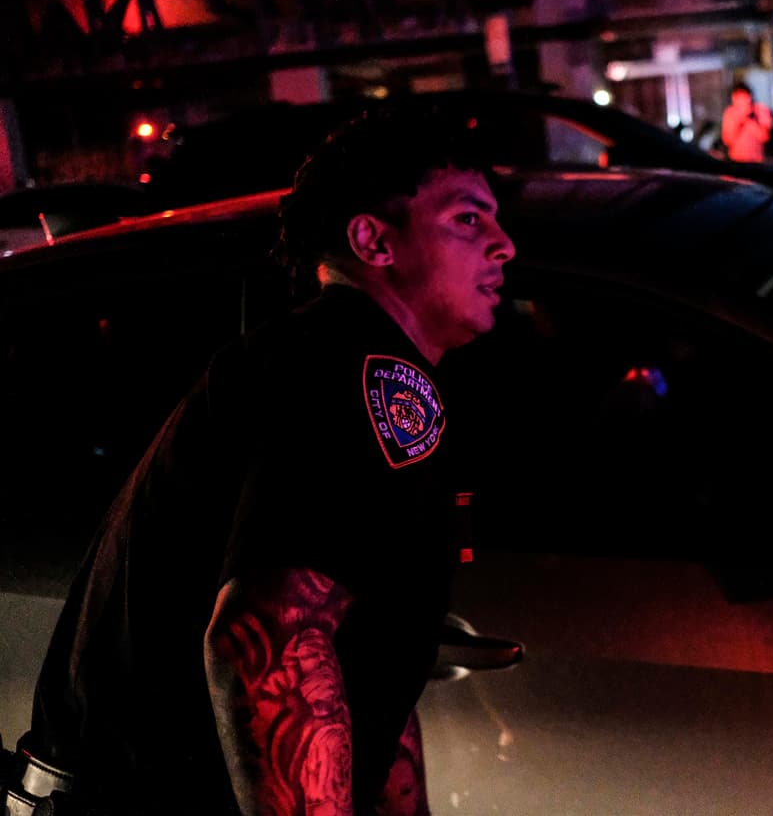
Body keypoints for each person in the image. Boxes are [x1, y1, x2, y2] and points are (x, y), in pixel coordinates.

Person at [9, 108, 516, 815]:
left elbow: (370, 672)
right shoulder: (348, 369)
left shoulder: (348, 364)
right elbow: (269, 640)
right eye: (469, 220)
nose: (504, 246)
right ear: (373, 239)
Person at [720, 82, 773, 163]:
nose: (741, 101)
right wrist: (739, 122)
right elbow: (727, 140)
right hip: (736, 161)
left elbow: (764, 137)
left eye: (743, 97)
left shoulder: (760, 110)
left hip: (757, 161)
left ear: (749, 97)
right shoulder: (729, 113)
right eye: (737, 98)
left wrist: (748, 120)